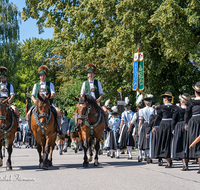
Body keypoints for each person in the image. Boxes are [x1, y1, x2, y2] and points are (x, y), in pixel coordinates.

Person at [26, 65, 62, 136]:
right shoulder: (36, 85)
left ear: (45, 76)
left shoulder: (50, 84)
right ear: (39, 77)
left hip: (48, 103)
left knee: (58, 111)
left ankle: (58, 128)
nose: (42, 77)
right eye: (41, 76)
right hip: (38, 104)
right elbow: (32, 95)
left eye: (43, 75)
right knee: (28, 114)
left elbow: (53, 94)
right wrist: (35, 101)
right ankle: (30, 130)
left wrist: (46, 98)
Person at [80, 64, 110, 131]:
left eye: (92, 73)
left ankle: (106, 126)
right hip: (87, 102)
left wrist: (99, 99)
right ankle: (78, 125)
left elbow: (101, 93)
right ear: (87, 75)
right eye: (89, 73)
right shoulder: (84, 83)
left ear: (94, 75)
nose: (90, 75)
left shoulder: (97, 82)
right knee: (79, 111)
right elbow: (82, 94)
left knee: (105, 111)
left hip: (96, 102)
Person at [153, 92, 178, 168]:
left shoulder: (162, 107)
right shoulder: (174, 107)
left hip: (165, 125)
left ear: (166, 99)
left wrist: (154, 126)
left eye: (164, 98)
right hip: (168, 125)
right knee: (168, 143)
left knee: (167, 143)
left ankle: (169, 162)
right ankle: (169, 161)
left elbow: (157, 117)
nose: (163, 99)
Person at [185, 82, 200, 174]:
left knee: (197, 143)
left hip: (194, 122)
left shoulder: (191, 102)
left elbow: (187, 113)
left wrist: (186, 124)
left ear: (195, 92)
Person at [172, 93, 190, 171]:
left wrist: (173, 129)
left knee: (181, 144)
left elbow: (173, 120)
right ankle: (186, 163)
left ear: (182, 101)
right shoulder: (190, 109)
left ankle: (184, 164)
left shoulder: (177, 109)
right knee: (187, 144)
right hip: (189, 126)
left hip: (179, 126)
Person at [138, 94, 155, 164]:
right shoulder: (153, 109)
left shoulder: (141, 110)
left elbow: (140, 121)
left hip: (145, 125)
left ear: (145, 103)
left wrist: (139, 129)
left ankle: (147, 155)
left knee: (145, 141)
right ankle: (150, 156)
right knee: (150, 141)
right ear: (151, 103)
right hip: (151, 125)